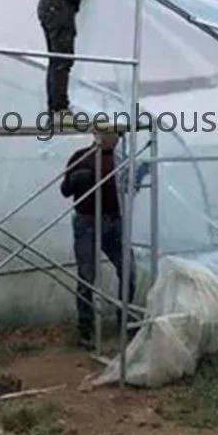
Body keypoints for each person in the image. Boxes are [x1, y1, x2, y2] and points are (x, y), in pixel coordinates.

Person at [60, 129, 148, 349]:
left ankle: (124, 319)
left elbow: (131, 188)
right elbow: (65, 190)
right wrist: (76, 180)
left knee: (128, 269)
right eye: (111, 133)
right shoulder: (80, 157)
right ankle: (86, 330)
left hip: (113, 222)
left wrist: (140, 174)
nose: (115, 138)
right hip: (87, 222)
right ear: (97, 134)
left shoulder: (121, 160)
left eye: (118, 134)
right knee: (87, 276)